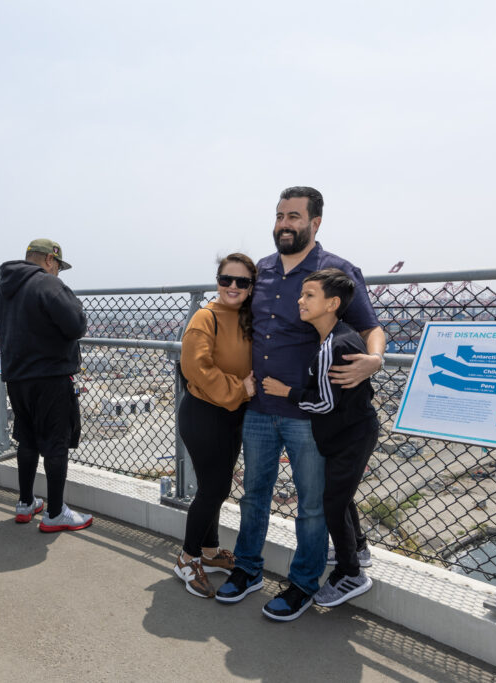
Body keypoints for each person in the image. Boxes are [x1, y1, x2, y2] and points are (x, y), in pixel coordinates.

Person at [215, 186, 385, 623]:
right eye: (279, 215)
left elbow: (371, 328)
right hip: (259, 407)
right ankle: (248, 569)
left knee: (311, 504)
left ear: (315, 222)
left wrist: (375, 360)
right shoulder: (262, 270)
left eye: (293, 216)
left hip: (307, 413)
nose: (284, 224)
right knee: (254, 495)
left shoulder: (337, 271)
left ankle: (303, 583)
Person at [262, 268, 380, 609]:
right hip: (352, 431)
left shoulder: (333, 345)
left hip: (350, 434)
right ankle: (357, 547)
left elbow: (324, 402)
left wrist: (287, 392)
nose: (300, 300)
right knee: (340, 496)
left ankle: (351, 573)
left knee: (333, 501)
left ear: (332, 303)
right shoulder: (340, 336)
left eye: (309, 295)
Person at [0, 239, 91, 532]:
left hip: (17, 378)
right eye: (58, 266)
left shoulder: (3, 290)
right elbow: (76, 326)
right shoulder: (48, 285)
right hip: (51, 377)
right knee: (56, 444)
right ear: (50, 260)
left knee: (28, 440)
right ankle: (56, 513)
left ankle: (26, 502)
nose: (58, 272)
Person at [173, 254, 256, 598]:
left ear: (252, 287)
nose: (233, 287)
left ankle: (208, 553)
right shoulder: (205, 318)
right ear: (218, 281)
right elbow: (196, 368)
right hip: (205, 413)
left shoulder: (249, 318)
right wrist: (241, 389)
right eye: (226, 280)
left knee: (216, 487)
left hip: (231, 414)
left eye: (242, 282)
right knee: (213, 489)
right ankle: (187, 558)